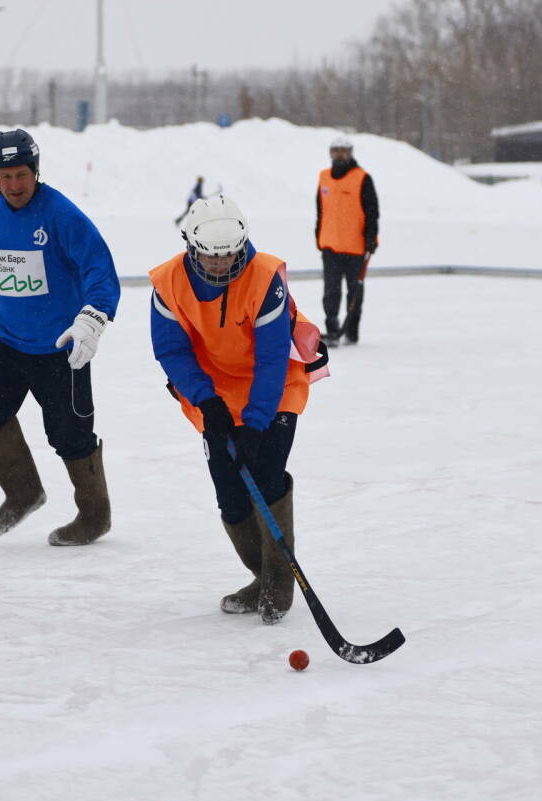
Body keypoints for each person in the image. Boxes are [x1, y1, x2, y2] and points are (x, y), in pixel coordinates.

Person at [0, 129, 120, 547]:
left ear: (35, 172)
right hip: (8, 343)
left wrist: (92, 319)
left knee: (70, 437)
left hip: (61, 347)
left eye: (22, 175)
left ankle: (94, 515)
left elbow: (100, 271)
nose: (15, 185)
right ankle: (23, 493)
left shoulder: (62, 215)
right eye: (5, 177)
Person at [149, 196, 324, 624]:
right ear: (191, 247)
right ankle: (262, 574)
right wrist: (208, 403)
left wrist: (256, 425)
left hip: (274, 388)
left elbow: (270, 359)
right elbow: (172, 351)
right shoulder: (168, 283)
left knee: (264, 474)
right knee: (230, 495)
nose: (222, 265)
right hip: (213, 393)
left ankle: (279, 585)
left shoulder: (265, 278)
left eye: (230, 255)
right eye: (211, 257)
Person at [316, 135, 379, 345]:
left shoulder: (362, 178)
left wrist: (371, 237)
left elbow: (372, 211)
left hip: (355, 247)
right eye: (336, 151)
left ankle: (351, 331)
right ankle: (332, 329)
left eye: (343, 150)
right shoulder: (324, 177)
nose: (339, 154)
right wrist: (318, 235)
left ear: (350, 152)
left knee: (355, 292)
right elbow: (320, 209)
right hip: (330, 246)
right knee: (330, 291)